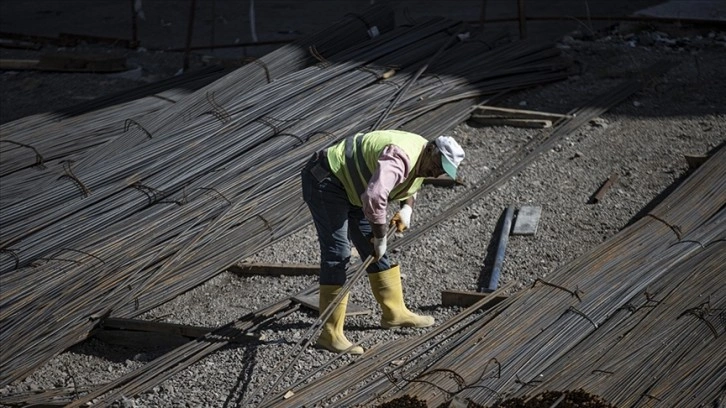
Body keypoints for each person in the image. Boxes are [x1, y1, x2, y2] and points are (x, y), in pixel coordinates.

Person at [301, 129, 465, 354]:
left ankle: (394, 313)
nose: (436, 174)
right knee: (338, 253)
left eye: (442, 172)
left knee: (374, 248)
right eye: (438, 166)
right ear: (431, 149)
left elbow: (411, 182)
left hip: (353, 187)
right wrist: (379, 237)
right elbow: (375, 197)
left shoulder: (423, 157)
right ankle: (330, 334)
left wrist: (406, 208)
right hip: (327, 180)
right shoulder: (401, 156)